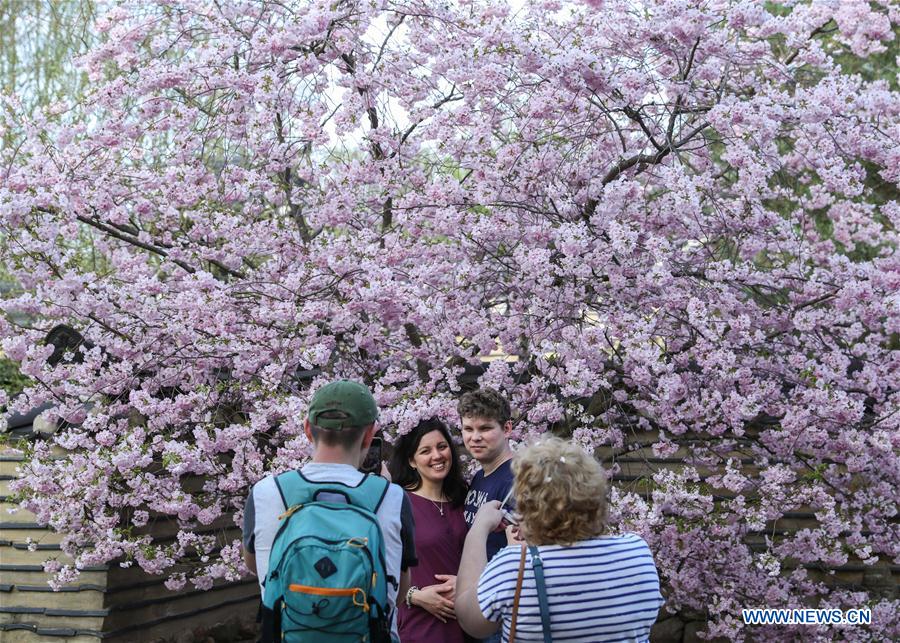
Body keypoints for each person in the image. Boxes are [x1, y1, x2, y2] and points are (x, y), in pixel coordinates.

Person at [242, 380, 417, 642]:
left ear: (307, 430)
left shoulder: (265, 493)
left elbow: (255, 566)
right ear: (370, 434)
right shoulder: (392, 498)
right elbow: (399, 591)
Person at [456, 437, 664, 642]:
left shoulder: (514, 567)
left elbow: (470, 620)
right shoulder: (638, 552)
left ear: (530, 509)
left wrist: (478, 529)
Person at [388, 417, 474, 643]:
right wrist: (413, 596)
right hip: (421, 626)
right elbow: (381, 563)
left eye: (442, 447)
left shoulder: (465, 497)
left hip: (469, 623)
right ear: (412, 461)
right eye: (425, 450)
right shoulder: (397, 501)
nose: (437, 456)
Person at [459, 387, 515, 565]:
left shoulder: (517, 481)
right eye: (468, 429)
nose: (475, 437)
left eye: (485, 428)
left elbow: (521, 555)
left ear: (506, 429)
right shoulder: (479, 477)